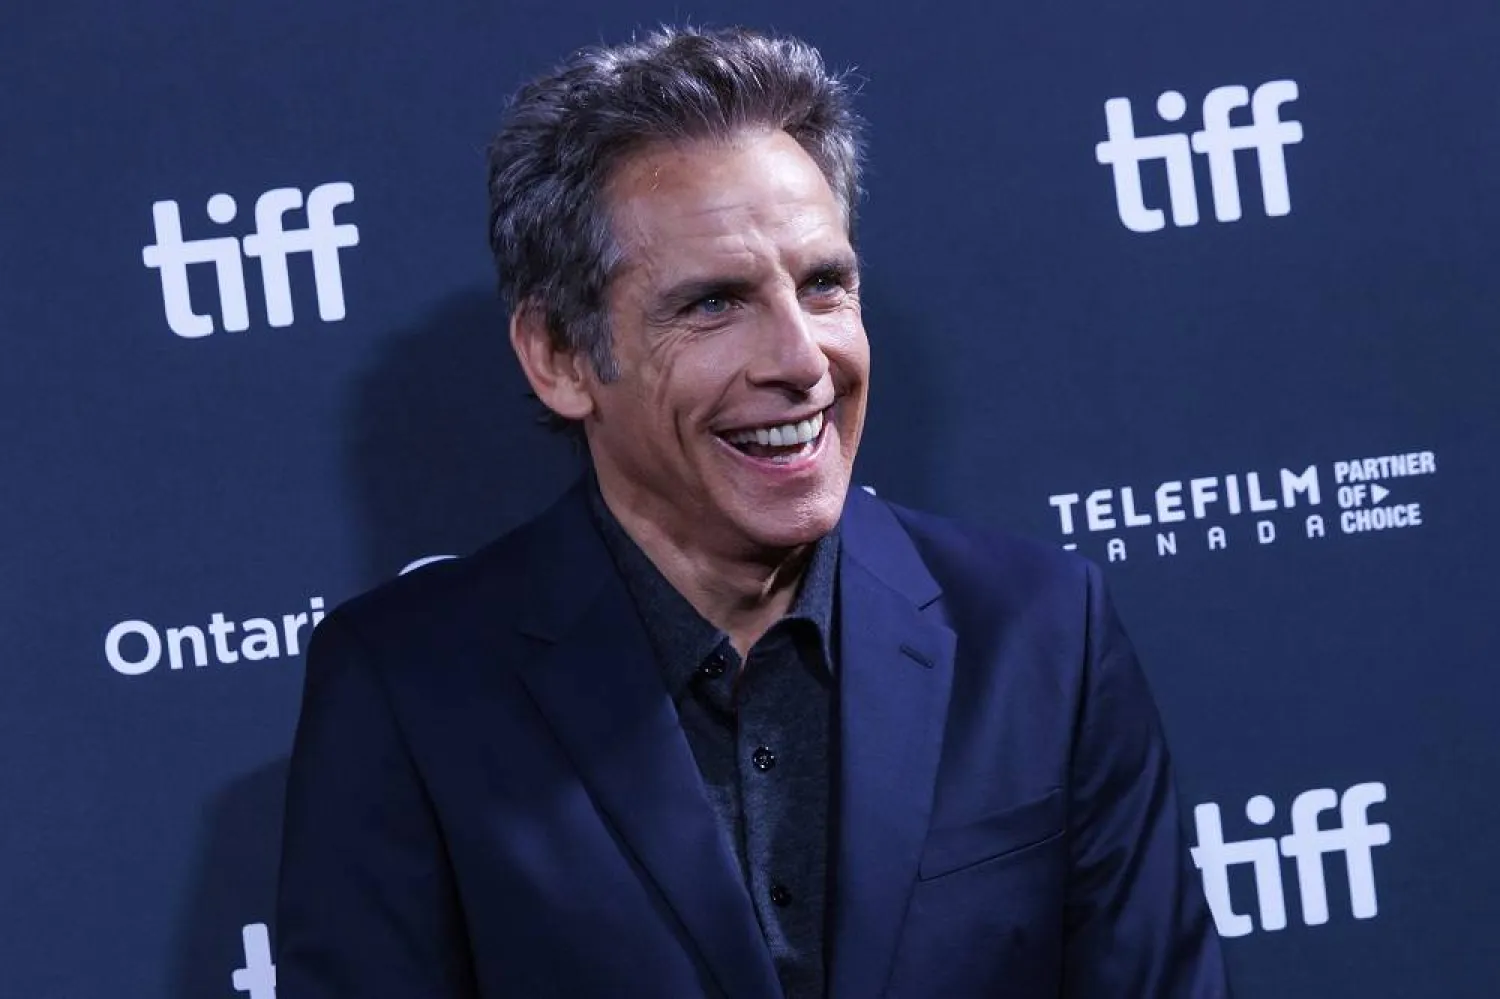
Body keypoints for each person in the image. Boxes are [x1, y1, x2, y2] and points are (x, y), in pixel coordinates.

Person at [276, 25, 1229, 999]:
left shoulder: (1040, 634)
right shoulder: (409, 689)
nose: (802, 361)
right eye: (714, 304)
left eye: (824, 285)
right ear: (560, 357)